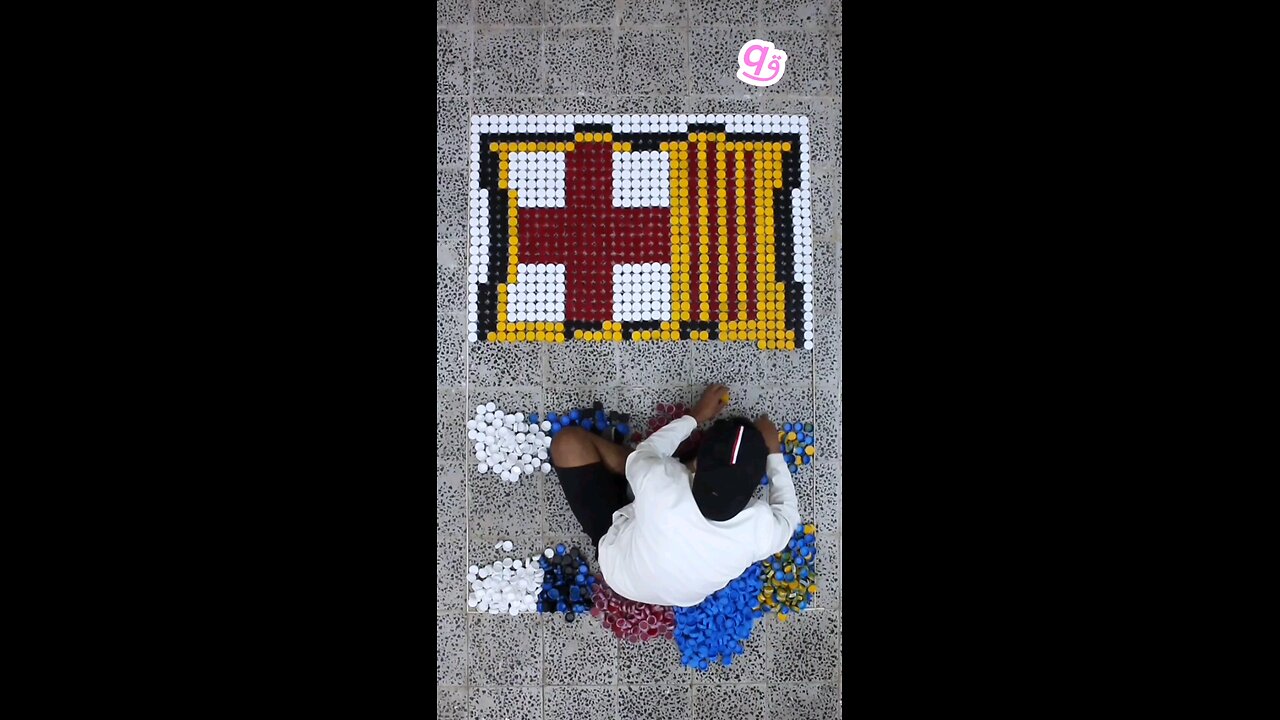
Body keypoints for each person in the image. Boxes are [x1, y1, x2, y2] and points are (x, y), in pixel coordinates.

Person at [549, 383, 800, 607]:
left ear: (699, 465)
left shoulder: (663, 481)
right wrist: (775, 455)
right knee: (644, 469)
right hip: (679, 593)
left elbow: (647, 452)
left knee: (569, 444)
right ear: (755, 485)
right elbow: (788, 516)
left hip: (623, 566)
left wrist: (696, 416)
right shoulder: (761, 528)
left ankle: (649, 475)